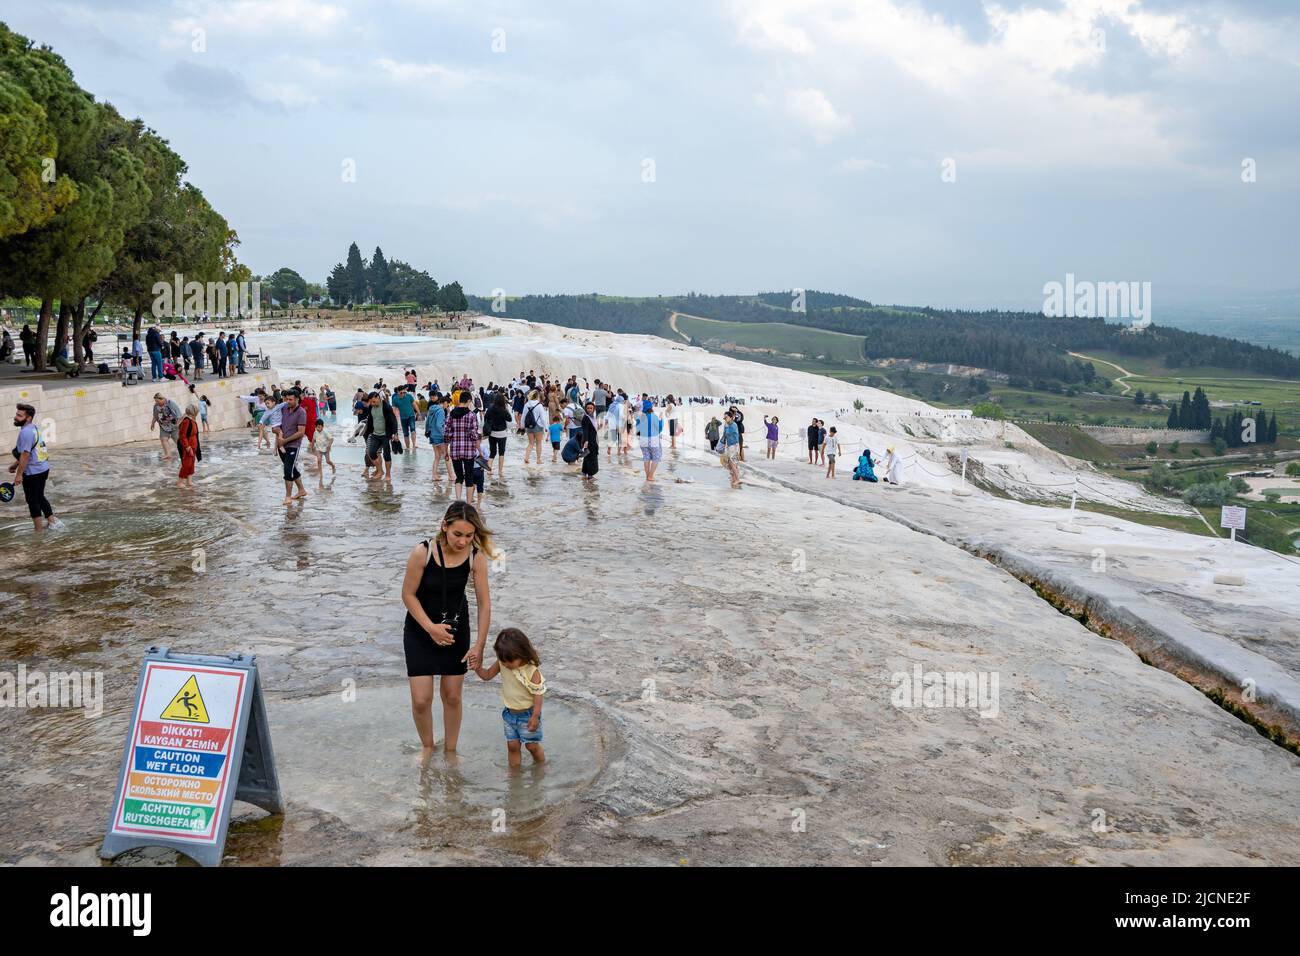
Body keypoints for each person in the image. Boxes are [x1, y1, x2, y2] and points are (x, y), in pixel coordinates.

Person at [401, 501, 494, 758]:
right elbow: (408, 595)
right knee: (421, 700)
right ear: (445, 527)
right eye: (457, 534)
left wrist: (479, 645)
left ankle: (451, 751)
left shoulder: (476, 557)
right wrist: (431, 628)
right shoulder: (423, 552)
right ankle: (427, 747)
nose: (463, 541)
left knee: (452, 696)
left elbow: (485, 604)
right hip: (420, 629)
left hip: (455, 630)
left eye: (469, 535)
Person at [473, 627, 547, 767]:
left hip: (528, 714)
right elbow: (487, 675)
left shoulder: (531, 671)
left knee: (531, 746)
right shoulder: (503, 662)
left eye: (509, 661)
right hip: (509, 714)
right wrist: (477, 667)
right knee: (512, 746)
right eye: (502, 660)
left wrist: (535, 716)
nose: (506, 664)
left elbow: (538, 694)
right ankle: (514, 775)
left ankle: (541, 766)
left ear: (522, 654)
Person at [9, 403, 61, 531]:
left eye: (19, 415)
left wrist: (19, 475)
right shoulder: (34, 428)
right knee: (40, 496)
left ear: (28, 418)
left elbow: (26, 455)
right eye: (16, 414)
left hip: (33, 472)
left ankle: (38, 531)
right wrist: (16, 465)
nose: (16, 417)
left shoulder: (25, 433)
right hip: (43, 468)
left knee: (32, 500)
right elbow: (31, 451)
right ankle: (52, 523)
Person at [445, 390, 481, 500]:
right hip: (468, 450)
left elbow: (446, 433)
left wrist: (446, 450)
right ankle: (468, 504)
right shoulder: (471, 415)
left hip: (455, 450)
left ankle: (458, 500)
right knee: (469, 477)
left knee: (459, 477)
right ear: (469, 401)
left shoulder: (451, 414)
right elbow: (474, 434)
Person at [276, 388, 309, 503]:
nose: (287, 401)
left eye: (290, 399)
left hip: (293, 445)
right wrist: (279, 435)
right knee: (291, 468)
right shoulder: (284, 408)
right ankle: (301, 490)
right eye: (286, 399)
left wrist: (285, 441)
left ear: (297, 399)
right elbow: (276, 424)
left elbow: (301, 432)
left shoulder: (301, 413)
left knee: (287, 469)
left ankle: (288, 497)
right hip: (281, 444)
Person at [361, 391, 398, 481]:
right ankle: (380, 471)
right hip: (375, 434)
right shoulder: (371, 407)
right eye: (371, 402)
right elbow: (370, 420)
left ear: (378, 398)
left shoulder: (386, 407)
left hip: (385, 435)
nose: (372, 404)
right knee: (371, 452)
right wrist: (366, 432)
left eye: (374, 401)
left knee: (386, 455)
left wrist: (395, 433)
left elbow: (393, 420)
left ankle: (388, 475)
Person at [483, 392, 511, 479]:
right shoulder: (503, 409)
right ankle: (500, 471)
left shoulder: (490, 408)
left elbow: (486, 417)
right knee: (501, 453)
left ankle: (489, 470)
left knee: (492, 452)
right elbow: (509, 419)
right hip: (502, 433)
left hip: (492, 433)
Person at [426, 392, 452, 483]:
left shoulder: (432, 409)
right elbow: (438, 425)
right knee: (446, 455)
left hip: (432, 435)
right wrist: (444, 435)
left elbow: (427, 422)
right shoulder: (441, 411)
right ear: (444, 402)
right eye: (448, 404)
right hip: (439, 436)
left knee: (437, 456)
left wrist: (427, 432)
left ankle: (434, 475)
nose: (448, 406)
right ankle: (451, 476)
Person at [637, 398, 664, 482]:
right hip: (653, 440)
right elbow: (659, 429)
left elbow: (638, 429)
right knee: (656, 457)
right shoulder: (654, 416)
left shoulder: (639, 417)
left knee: (646, 457)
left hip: (643, 440)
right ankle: (650, 476)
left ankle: (647, 476)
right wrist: (661, 419)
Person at [150, 393, 182, 461]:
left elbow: (179, 414)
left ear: (162, 399)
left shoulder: (170, 403)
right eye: (155, 401)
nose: (156, 403)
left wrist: (178, 424)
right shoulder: (156, 406)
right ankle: (168, 454)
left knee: (178, 441)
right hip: (163, 426)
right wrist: (152, 423)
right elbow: (155, 415)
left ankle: (184, 452)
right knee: (163, 439)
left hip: (174, 426)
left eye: (158, 401)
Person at [177, 403, 200, 489]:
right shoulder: (187, 421)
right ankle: (180, 482)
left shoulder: (192, 420)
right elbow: (182, 435)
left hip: (193, 446)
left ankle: (189, 481)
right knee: (186, 464)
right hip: (188, 447)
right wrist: (187, 447)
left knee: (191, 464)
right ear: (193, 411)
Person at [522, 389, 547, 465]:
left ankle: (526, 457)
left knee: (530, 443)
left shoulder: (527, 404)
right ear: (537, 396)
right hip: (538, 426)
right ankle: (538, 459)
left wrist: (522, 425)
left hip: (529, 426)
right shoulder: (539, 405)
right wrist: (546, 427)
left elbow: (523, 416)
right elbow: (543, 417)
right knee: (539, 443)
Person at [393, 385, 418, 450]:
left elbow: (414, 404)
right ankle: (407, 447)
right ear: (398, 392)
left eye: (404, 392)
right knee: (405, 433)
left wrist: (419, 413)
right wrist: (393, 418)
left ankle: (414, 445)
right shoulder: (395, 399)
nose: (403, 394)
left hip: (411, 416)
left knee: (413, 430)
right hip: (403, 418)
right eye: (401, 393)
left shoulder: (409, 396)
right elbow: (394, 409)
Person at [580, 401, 600, 480]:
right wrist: (586, 441)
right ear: (585, 409)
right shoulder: (586, 418)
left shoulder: (592, 417)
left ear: (593, 409)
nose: (589, 410)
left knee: (587, 456)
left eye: (591, 408)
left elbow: (593, 430)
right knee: (592, 457)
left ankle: (585, 472)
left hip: (593, 439)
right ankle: (590, 475)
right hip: (589, 441)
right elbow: (585, 431)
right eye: (588, 408)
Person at [722, 411, 741, 489]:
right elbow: (724, 434)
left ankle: (737, 479)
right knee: (732, 462)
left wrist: (726, 427)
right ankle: (734, 477)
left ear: (730, 417)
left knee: (732, 462)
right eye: (724, 418)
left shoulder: (733, 425)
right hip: (730, 445)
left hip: (734, 445)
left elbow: (727, 433)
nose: (725, 419)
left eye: (726, 417)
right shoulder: (728, 425)